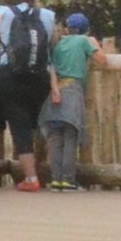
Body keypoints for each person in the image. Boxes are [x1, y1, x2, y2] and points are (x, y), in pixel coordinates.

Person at [0, 0, 55, 188]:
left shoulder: (4, 12)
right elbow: (51, 44)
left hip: (11, 75)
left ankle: (31, 178)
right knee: (41, 121)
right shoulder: (47, 15)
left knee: (20, 124)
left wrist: (1, 55)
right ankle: (57, 171)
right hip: (40, 75)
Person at [42, 12, 97, 189]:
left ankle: (56, 178)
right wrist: (95, 45)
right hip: (73, 90)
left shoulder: (59, 44)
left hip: (57, 90)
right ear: (85, 30)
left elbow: (52, 68)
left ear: (67, 28)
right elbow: (102, 59)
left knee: (56, 136)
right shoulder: (83, 41)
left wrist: (55, 89)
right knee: (71, 135)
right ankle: (68, 179)